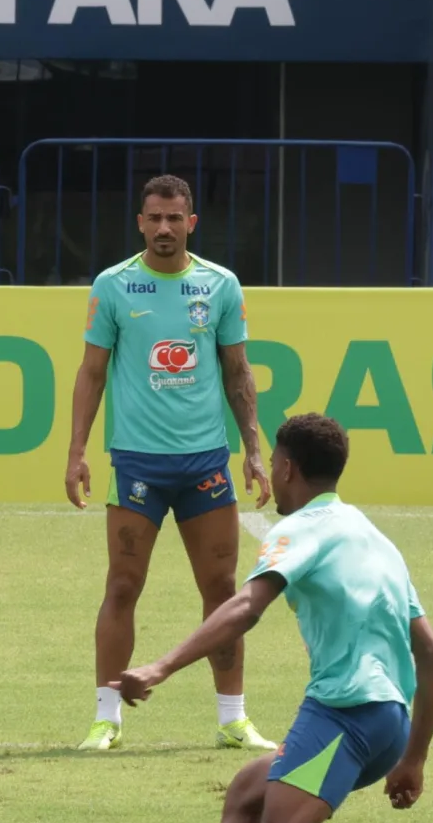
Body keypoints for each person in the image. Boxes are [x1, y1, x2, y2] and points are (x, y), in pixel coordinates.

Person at [120, 413, 433, 823]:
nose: (271, 470)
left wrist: (162, 667)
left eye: (273, 461)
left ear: (288, 468)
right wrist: (414, 755)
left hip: (344, 712)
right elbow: (432, 654)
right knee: (249, 790)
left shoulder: (299, 530)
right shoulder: (374, 535)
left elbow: (245, 606)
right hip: (388, 721)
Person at [63, 174, 274, 754]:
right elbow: (92, 372)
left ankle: (233, 718)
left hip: (204, 463)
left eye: (173, 218)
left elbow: (238, 371)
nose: (163, 228)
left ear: (191, 222)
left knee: (221, 588)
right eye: (153, 218)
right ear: (140, 223)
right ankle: (106, 718)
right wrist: (77, 451)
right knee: (124, 584)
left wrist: (253, 449)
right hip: (136, 465)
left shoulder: (219, 285)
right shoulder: (114, 286)